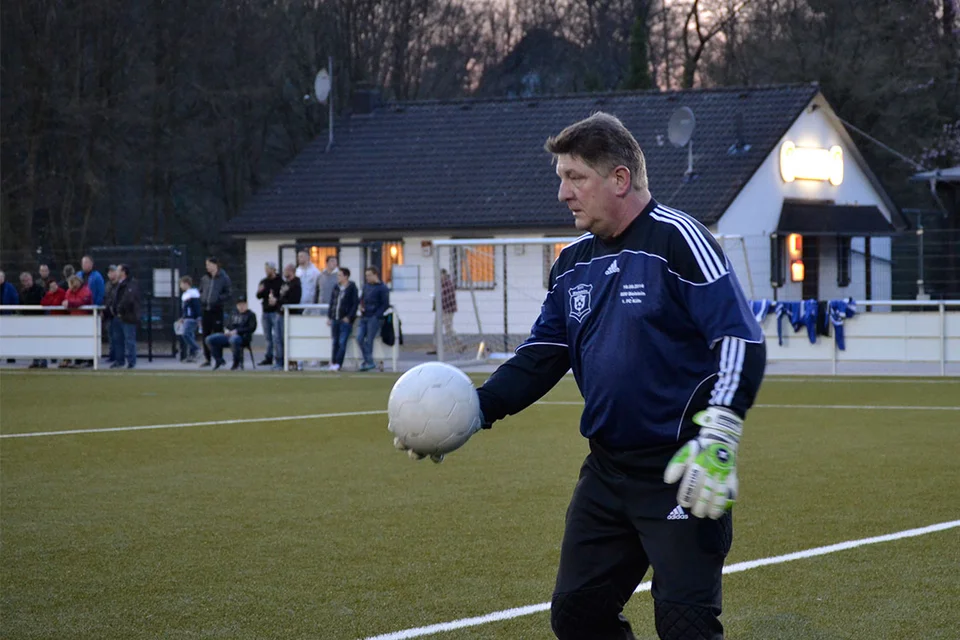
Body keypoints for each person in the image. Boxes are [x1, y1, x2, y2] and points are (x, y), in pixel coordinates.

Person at [392, 113, 766, 640]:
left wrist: (720, 432)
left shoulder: (680, 240)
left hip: (683, 469)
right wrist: (476, 410)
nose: (563, 193)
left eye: (575, 177)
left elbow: (740, 339)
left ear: (619, 179)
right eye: (561, 177)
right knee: (577, 617)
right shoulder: (571, 263)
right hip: (607, 474)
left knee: (686, 626)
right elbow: (542, 354)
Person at [204, 295, 257, 371]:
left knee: (234, 340)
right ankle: (219, 360)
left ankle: (236, 363)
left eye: (243, 304)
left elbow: (251, 328)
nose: (241, 306)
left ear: (246, 305)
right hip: (229, 335)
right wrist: (227, 330)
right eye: (239, 305)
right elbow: (227, 324)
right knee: (209, 339)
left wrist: (237, 331)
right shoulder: (233, 313)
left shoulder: (251, 315)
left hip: (242, 337)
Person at [199, 257, 232, 367]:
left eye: (209, 264)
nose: (207, 267)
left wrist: (218, 299)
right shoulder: (204, 278)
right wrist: (202, 299)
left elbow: (228, 293)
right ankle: (207, 358)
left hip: (217, 310)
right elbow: (201, 291)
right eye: (206, 265)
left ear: (215, 265)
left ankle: (219, 358)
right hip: (206, 310)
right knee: (205, 334)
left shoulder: (224, 278)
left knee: (218, 334)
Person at [356, 266, 390, 371]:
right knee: (359, 338)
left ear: (375, 275)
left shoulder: (382, 288)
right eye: (366, 275)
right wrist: (361, 306)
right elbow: (361, 299)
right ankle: (369, 360)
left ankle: (368, 362)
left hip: (374, 317)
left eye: (369, 275)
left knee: (369, 340)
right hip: (365, 315)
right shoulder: (366, 287)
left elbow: (385, 304)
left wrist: (377, 315)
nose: (367, 278)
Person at [326, 267, 359, 372]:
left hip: (345, 320)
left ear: (346, 276)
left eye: (340, 275)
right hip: (335, 318)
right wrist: (330, 316)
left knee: (342, 342)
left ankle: (338, 363)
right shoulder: (336, 287)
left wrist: (349, 317)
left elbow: (355, 304)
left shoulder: (352, 288)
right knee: (335, 342)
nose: (338, 277)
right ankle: (333, 362)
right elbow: (332, 302)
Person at [112, 265, 141, 369]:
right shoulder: (118, 284)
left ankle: (131, 362)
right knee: (118, 340)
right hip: (118, 316)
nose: (116, 272)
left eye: (118, 270)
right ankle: (119, 361)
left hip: (128, 316)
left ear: (123, 272)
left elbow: (128, 299)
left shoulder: (131, 284)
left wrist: (119, 309)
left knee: (129, 340)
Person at [274, 263, 302, 371]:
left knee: (284, 339)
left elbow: (294, 300)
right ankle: (279, 361)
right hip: (279, 313)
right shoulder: (285, 283)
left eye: (286, 270)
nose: (284, 272)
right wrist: (276, 302)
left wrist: (278, 301)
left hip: (288, 315)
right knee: (278, 339)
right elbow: (281, 297)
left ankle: (287, 362)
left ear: (291, 271)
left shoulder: (296, 284)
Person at [255, 261, 283, 367]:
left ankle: (279, 357)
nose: (266, 271)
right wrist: (260, 291)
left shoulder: (280, 281)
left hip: (275, 312)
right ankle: (268, 357)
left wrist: (276, 300)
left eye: (268, 269)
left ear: (273, 269)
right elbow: (258, 296)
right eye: (265, 269)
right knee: (267, 337)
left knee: (277, 337)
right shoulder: (264, 282)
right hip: (265, 312)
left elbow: (282, 296)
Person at [19, 272, 46, 368]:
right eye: (24, 281)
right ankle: (35, 360)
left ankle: (43, 361)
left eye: (28, 280)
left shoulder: (39, 289)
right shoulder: (23, 292)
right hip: (28, 319)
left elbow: (42, 302)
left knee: (41, 340)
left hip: (39, 318)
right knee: (32, 341)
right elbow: (21, 304)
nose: (27, 282)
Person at [438, 268, 464, 353]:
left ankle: (459, 343)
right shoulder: (442, 284)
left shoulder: (447, 285)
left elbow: (446, 298)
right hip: (444, 309)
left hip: (447, 310)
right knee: (439, 328)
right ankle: (439, 347)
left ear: (444, 275)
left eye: (441, 275)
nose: (440, 277)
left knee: (449, 330)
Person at [177, 276, 202, 362]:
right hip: (188, 317)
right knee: (190, 335)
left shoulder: (192, 294)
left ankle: (197, 349)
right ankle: (192, 355)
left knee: (185, 334)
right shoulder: (188, 294)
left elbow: (196, 307)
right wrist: (183, 317)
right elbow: (186, 308)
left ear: (186, 284)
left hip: (191, 318)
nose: (180, 286)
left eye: (181, 284)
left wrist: (198, 318)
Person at [103, 265, 120, 363]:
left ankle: (118, 356)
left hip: (117, 314)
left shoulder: (120, 285)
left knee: (117, 336)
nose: (110, 274)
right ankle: (112, 355)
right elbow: (105, 298)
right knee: (110, 335)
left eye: (112, 271)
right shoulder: (107, 285)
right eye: (109, 272)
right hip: (108, 314)